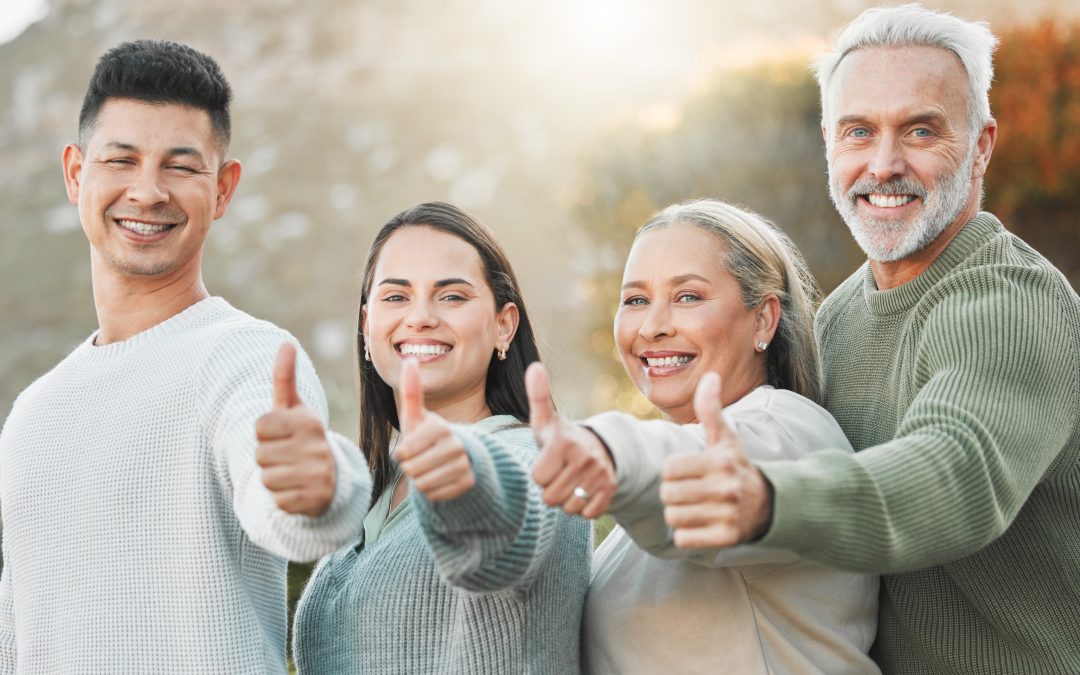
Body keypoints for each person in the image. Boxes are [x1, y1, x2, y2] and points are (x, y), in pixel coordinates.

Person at [544, 5, 1080, 673]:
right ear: (829, 141)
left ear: (981, 145)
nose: (883, 164)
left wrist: (771, 499)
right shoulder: (839, 318)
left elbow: (955, 475)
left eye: (920, 129)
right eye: (859, 132)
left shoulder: (1012, 303)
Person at [0, 41, 370, 673]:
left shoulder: (247, 359)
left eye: (181, 166)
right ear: (74, 174)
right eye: (121, 160)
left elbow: (292, 514)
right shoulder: (32, 413)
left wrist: (316, 490)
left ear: (222, 189)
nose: (147, 192)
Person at [528, 199, 879, 673]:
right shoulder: (640, 509)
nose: (652, 327)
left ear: (763, 320)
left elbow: (692, 475)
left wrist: (606, 447)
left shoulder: (790, 431)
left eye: (688, 296)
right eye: (635, 300)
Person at [288, 202, 591, 674]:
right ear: (367, 328)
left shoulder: (539, 461)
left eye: (451, 296)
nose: (421, 317)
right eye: (395, 297)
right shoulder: (375, 496)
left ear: (503, 325)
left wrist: (467, 479)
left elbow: (505, 523)